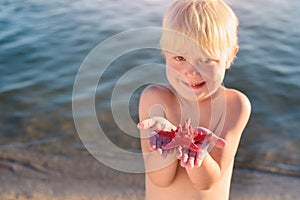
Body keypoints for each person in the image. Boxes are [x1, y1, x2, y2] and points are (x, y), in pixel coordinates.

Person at [137, 0, 251, 199]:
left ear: (229, 56)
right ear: (165, 53)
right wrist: (171, 142)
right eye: (180, 58)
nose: (191, 71)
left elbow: (207, 182)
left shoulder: (234, 105)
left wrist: (197, 149)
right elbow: (160, 179)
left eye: (206, 60)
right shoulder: (155, 99)